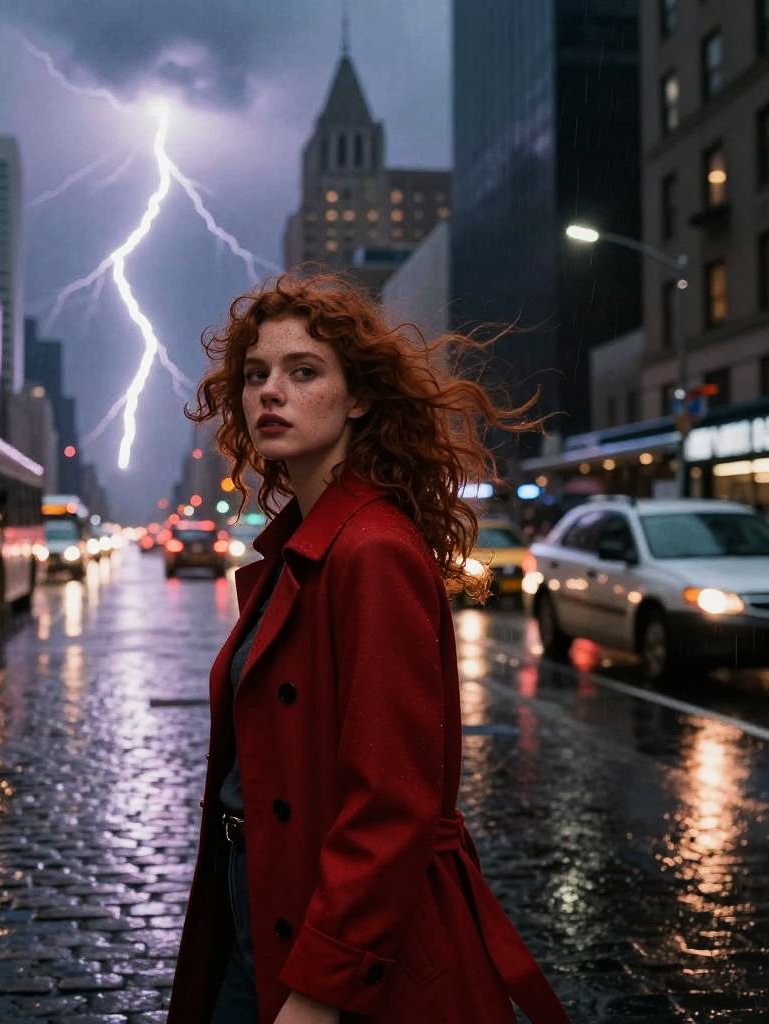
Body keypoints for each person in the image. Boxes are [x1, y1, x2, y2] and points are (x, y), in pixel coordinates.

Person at [167, 273, 570, 1024]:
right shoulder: (306, 547)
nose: (269, 394)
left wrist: (322, 989)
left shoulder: (371, 550)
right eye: (256, 375)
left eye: (303, 371)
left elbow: (393, 800)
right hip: (261, 907)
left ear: (358, 398)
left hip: (329, 943)